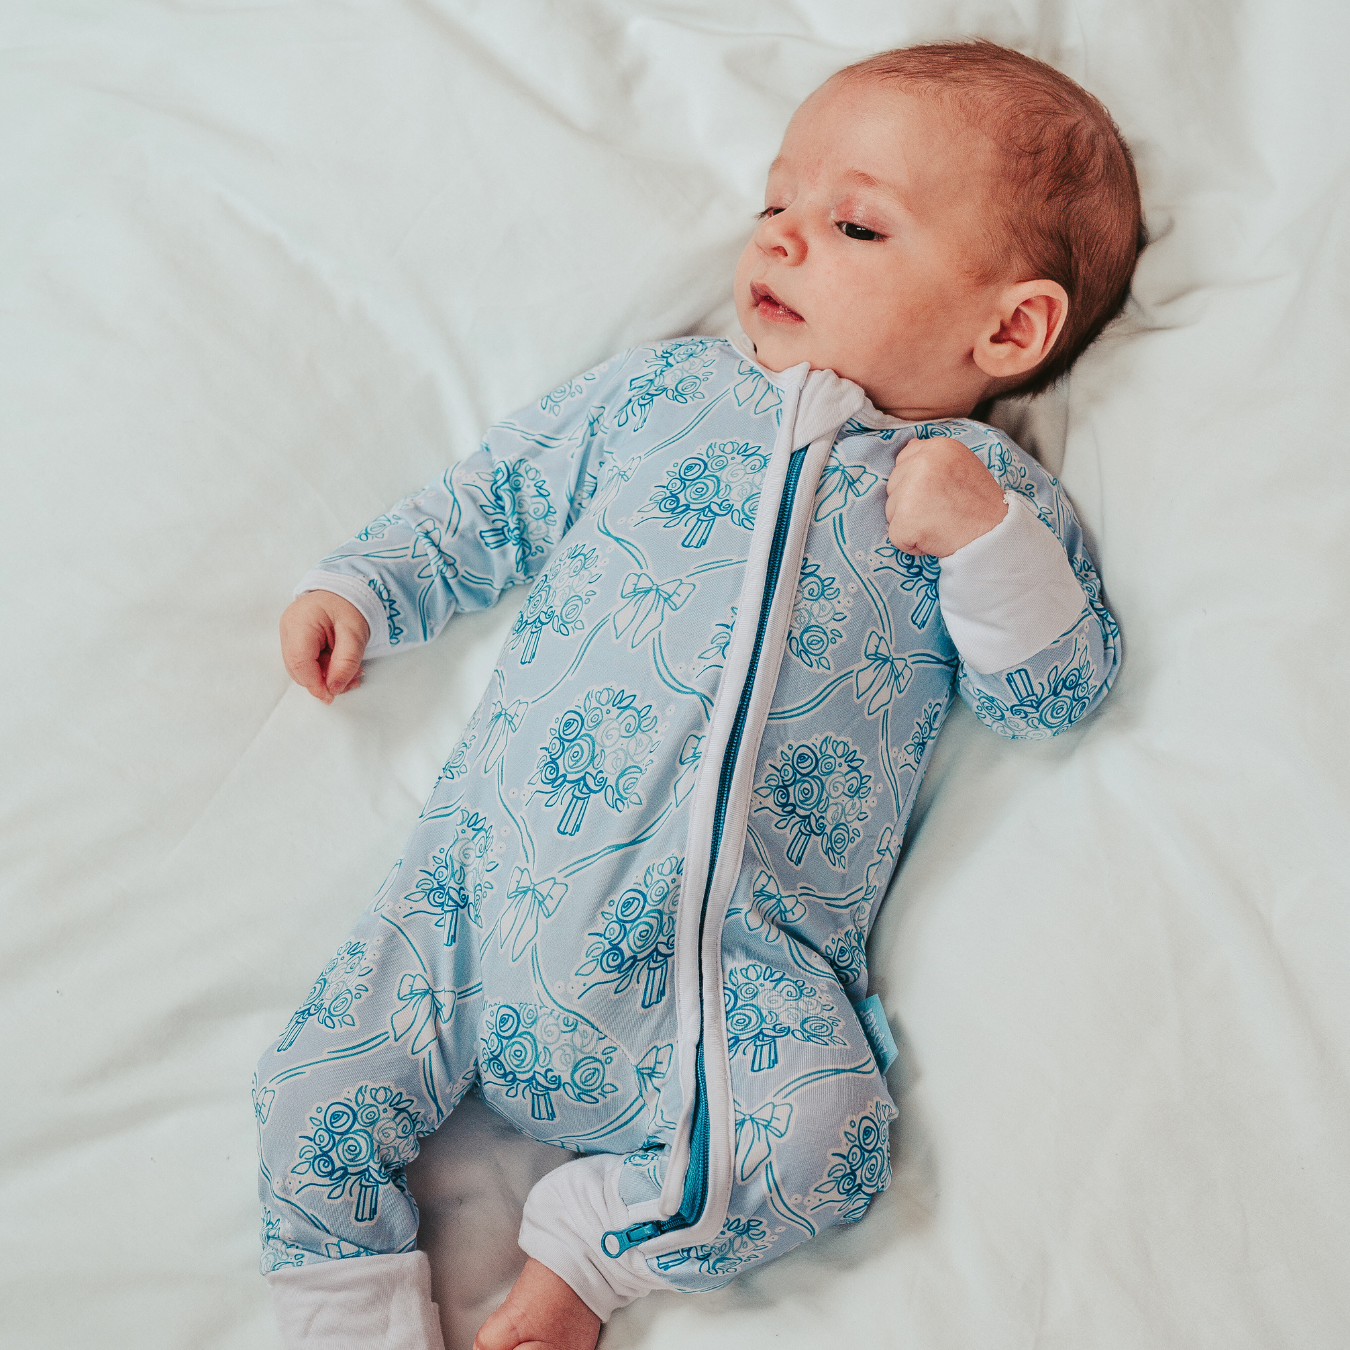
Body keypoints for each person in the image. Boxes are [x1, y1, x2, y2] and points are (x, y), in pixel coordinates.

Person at [256, 39, 1140, 1350]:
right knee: (306, 1091)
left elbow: (1055, 690)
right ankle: (351, 1320)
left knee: (831, 1137)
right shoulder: (659, 395)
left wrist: (981, 540)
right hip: (477, 896)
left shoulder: (982, 490)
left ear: (1008, 328)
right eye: (775, 203)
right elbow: (493, 501)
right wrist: (367, 586)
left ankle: (587, 1257)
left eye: (853, 224)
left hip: (733, 981)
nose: (781, 237)